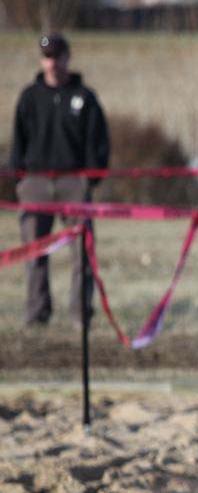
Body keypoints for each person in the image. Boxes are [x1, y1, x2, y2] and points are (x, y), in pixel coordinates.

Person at [9, 32, 110, 327]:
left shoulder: (84, 97)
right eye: (47, 57)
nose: (52, 63)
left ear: (67, 57)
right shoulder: (29, 97)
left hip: (73, 183)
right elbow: (19, 141)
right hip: (36, 183)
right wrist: (19, 177)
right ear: (42, 60)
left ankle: (81, 314)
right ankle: (37, 313)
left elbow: (98, 141)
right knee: (34, 252)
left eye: (57, 56)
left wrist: (90, 178)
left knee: (82, 254)